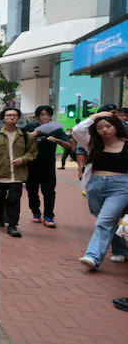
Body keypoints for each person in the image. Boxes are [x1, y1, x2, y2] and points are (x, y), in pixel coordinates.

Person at [72, 112, 128, 269]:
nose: (104, 130)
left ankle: (93, 257)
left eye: (108, 126)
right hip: (95, 186)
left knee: (104, 221)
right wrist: (97, 115)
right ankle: (121, 250)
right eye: (99, 127)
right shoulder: (93, 143)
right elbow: (77, 131)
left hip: (120, 187)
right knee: (107, 221)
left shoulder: (126, 144)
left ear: (117, 127)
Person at [0, 108, 38, 237]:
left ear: (18, 118)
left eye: (14, 115)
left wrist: (23, 159)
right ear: (3, 118)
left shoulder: (25, 136)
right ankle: (0, 220)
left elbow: (33, 152)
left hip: (17, 175)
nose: (12, 118)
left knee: (14, 200)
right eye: (8, 115)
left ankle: (12, 225)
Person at [25, 106, 71, 228]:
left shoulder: (56, 129)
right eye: (42, 114)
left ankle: (48, 215)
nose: (45, 117)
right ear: (38, 116)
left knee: (49, 191)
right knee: (32, 191)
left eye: (47, 115)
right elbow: (19, 140)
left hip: (48, 166)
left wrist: (57, 140)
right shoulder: (29, 127)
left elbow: (68, 145)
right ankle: (35, 211)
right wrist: (32, 134)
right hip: (31, 165)